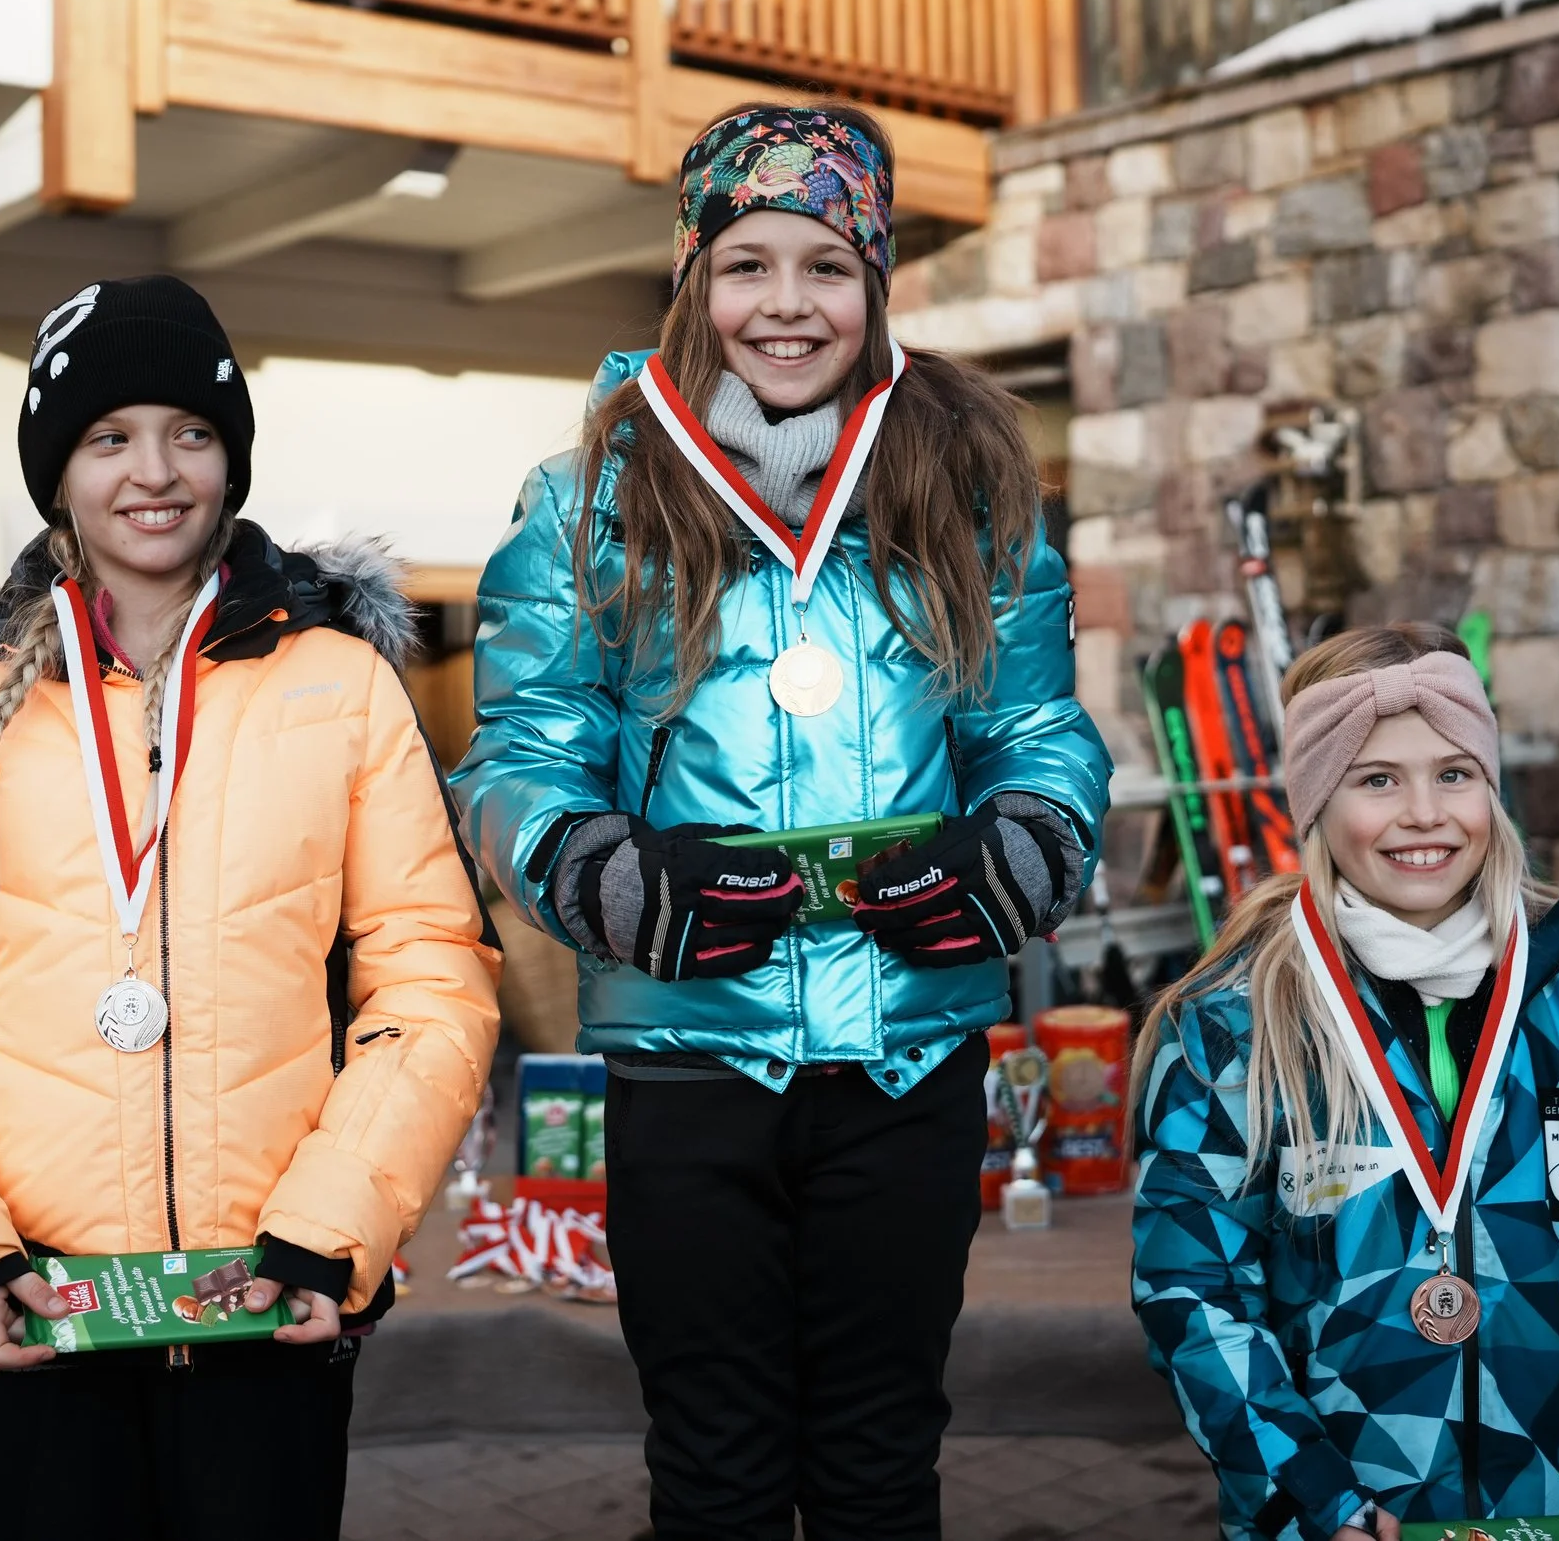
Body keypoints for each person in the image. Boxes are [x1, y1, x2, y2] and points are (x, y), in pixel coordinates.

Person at [453, 101, 1112, 1541]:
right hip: (690, 1059)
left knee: (880, 1460)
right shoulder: (588, 497)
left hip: (908, 1054)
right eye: (746, 264)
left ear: (876, 281)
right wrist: (596, 864)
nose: (787, 303)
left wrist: (1020, 841)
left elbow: (1036, 729)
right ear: (693, 279)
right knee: (715, 1467)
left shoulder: (968, 482)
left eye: (827, 265)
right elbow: (524, 746)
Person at [0, 275, 500, 1541]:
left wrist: (329, 1230)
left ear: (231, 457)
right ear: (58, 471)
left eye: (191, 431)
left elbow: (429, 974)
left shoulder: (340, 684)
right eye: (108, 436)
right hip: (45, 1301)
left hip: (270, 1290)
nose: (155, 470)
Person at [1130, 623, 1559, 1541]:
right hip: (1346, 1513)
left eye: (1454, 772)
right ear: (1316, 801)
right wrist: (1307, 1495)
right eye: (1377, 779)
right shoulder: (1237, 1020)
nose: (1425, 812)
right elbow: (1194, 1288)